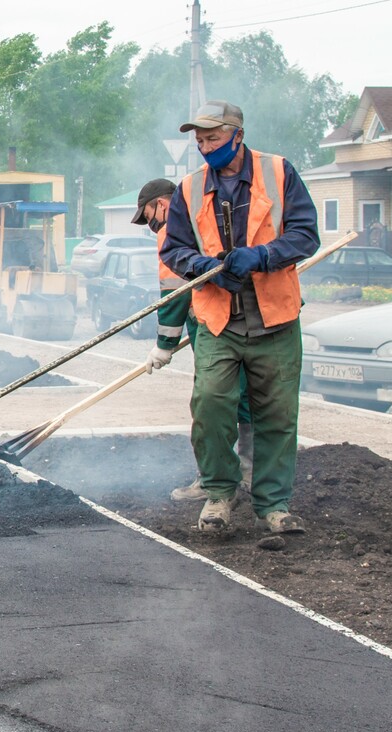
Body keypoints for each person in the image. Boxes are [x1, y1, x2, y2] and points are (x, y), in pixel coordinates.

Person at [157, 100, 318, 535]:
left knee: (277, 415)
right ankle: (219, 494)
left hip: (275, 318)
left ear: (238, 136)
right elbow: (173, 248)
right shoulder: (189, 188)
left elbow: (306, 235)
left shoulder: (279, 172)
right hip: (217, 318)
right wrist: (203, 267)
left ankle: (273, 505)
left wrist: (262, 256)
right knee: (210, 404)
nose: (205, 147)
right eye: (200, 140)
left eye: (213, 138)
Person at [133, 177, 255, 502]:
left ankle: (212, 481)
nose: (150, 224)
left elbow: (175, 293)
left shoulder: (171, 230)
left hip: (211, 324)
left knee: (209, 404)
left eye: (147, 215)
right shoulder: (205, 215)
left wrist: (164, 345)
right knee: (244, 396)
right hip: (242, 321)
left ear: (161, 204)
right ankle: (249, 472)